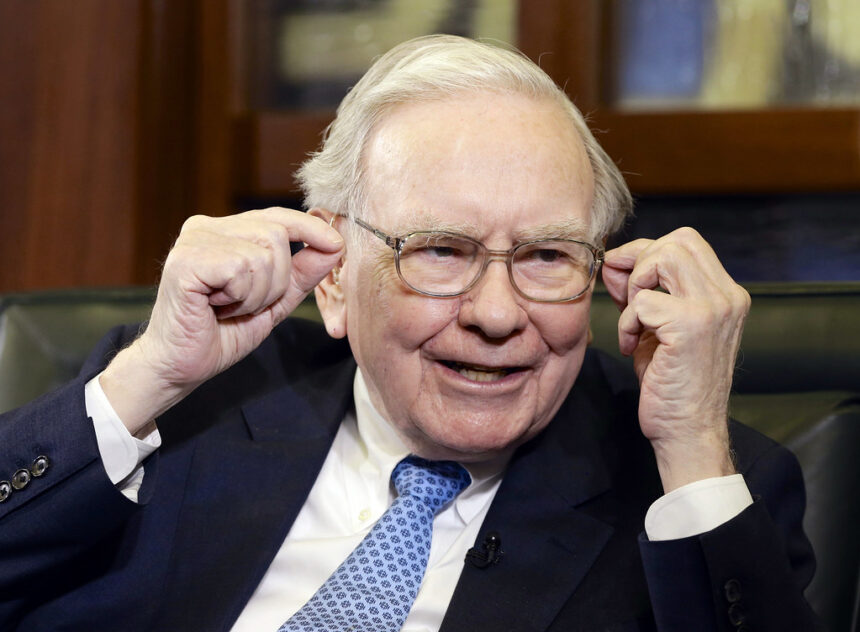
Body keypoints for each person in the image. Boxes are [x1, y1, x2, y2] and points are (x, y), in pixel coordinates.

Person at [0, 35, 818, 632]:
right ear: (332, 274)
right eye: (439, 250)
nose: (497, 314)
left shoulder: (685, 489)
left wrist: (692, 447)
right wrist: (150, 379)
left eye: (545, 255)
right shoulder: (184, 409)